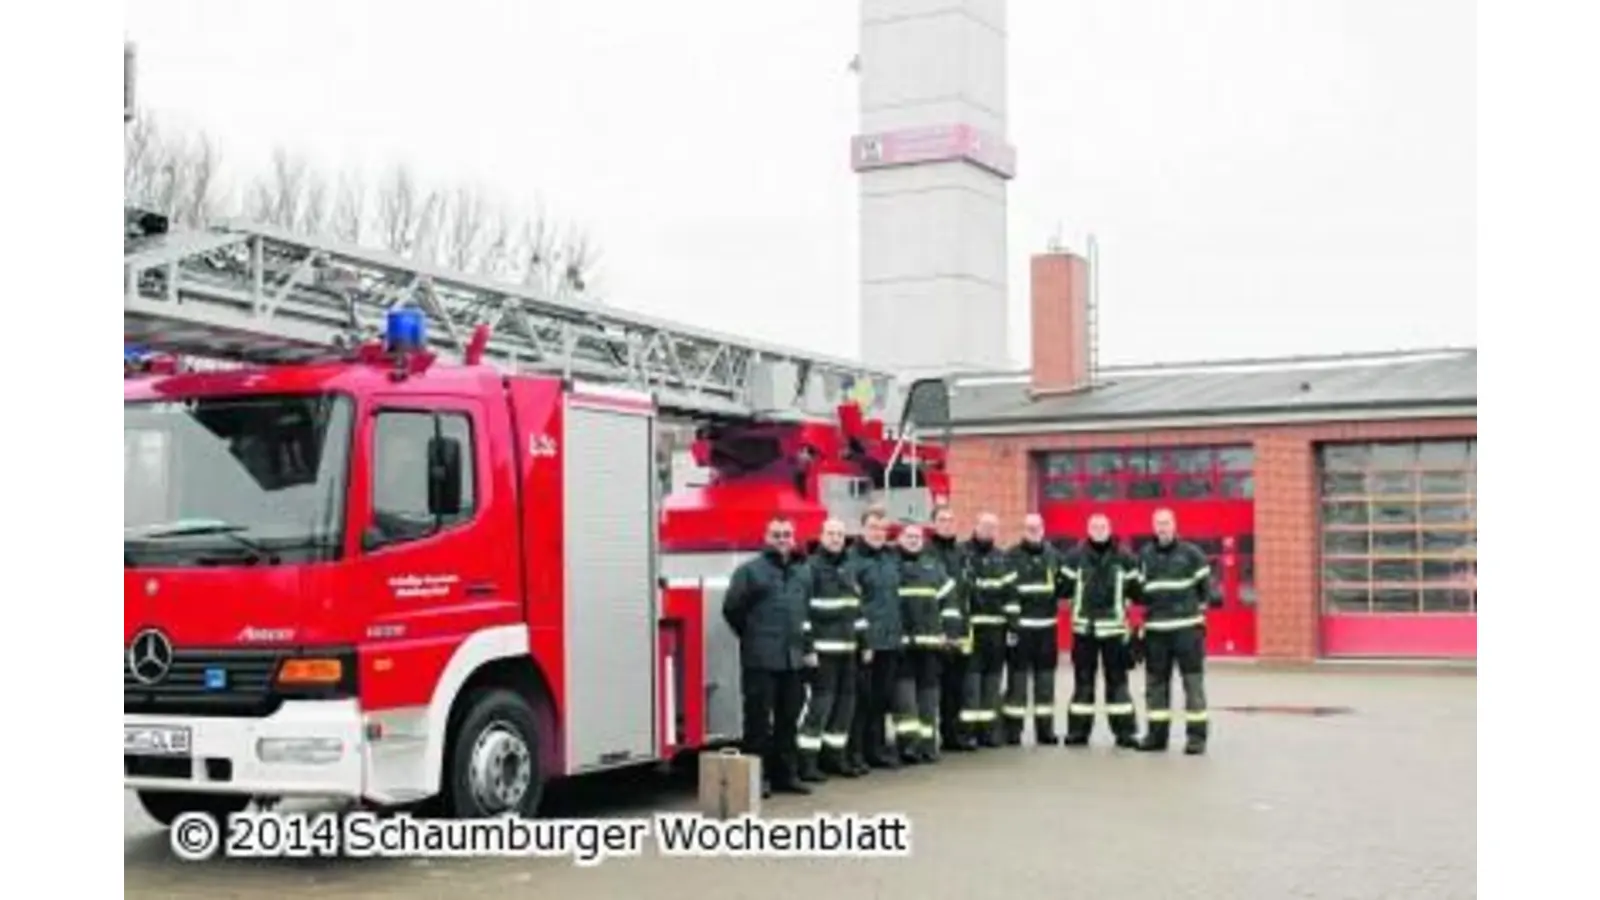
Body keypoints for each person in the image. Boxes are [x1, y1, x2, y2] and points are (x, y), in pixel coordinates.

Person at [721, 516, 816, 795]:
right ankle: (756, 779)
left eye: (787, 534)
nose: (783, 539)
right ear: (766, 537)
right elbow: (732, 610)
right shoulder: (749, 572)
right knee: (758, 722)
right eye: (777, 534)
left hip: (793, 658)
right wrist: (753, 636)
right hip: (760, 659)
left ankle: (785, 776)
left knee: (789, 719)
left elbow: (806, 615)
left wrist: (806, 648)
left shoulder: (802, 572)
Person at [1134, 508, 1220, 755]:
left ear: (1174, 525)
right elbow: (1139, 592)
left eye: (1166, 523)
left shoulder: (1192, 554)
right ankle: (1156, 737)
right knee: (1155, 686)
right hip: (1156, 633)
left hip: (1186, 633)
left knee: (1193, 685)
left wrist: (1197, 620)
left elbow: (1207, 592)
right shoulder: (1145, 555)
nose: (1162, 528)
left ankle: (1196, 739)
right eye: (1158, 524)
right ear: (1153, 527)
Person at [1058, 513, 1142, 748]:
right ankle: (1078, 732)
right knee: (1082, 682)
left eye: (1102, 526)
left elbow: (1137, 591)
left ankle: (1124, 733)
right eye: (1094, 526)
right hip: (1084, 630)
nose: (1098, 530)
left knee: (1118, 683)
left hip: (1115, 631)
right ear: (1088, 529)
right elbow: (1062, 590)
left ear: (1109, 528)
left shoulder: (1125, 558)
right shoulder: (1075, 557)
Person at [796, 518, 865, 781]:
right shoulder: (811, 568)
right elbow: (802, 612)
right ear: (821, 536)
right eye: (831, 533)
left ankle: (835, 758)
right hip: (822, 652)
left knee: (845, 705)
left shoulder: (848, 567)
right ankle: (807, 763)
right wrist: (808, 647)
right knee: (820, 707)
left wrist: (865, 642)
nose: (836, 538)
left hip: (848, 650)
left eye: (840, 534)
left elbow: (856, 609)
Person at [893, 522, 959, 763]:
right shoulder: (892, 566)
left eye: (917, 536)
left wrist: (950, 633)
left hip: (931, 647)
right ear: (899, 538)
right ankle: (908, 747)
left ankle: (928, 747)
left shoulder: (934, 567)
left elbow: (950, 603)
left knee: (928, 701)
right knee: (906, 702)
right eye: (908, 536)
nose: (913, 540)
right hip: (904, 647)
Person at [845, 508, 904, 772]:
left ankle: (876, 750)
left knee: (881, 700)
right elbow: (851, 605)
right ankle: (855, 753)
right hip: (866, 645)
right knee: (861, 702)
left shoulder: (891, 558)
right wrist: (863, 641)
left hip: (890, 642)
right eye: (873, 527)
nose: (878, 533)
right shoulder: (852, 561)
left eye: (882, 528)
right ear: (862, 529)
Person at [1002, 513, 1065, 746]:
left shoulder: (1054, 556)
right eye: (1028, 527)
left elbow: (1064, 587)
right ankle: (1013, 731)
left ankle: (1045, 731)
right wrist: (1011, 624)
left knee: (1045, 682)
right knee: (1017, 683)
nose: (1033, 531)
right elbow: (1006, 592)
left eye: (1036, 527)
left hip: (1047, 628)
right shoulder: (1011, 557)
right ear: (1023, 530)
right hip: (1021, 629)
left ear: (1043, 528)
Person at [960, 512, 1014, 748]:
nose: (989, 531)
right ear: (976, 526)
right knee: (971, 686)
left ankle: (989, 733)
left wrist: (1013, 626)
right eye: (985, 526)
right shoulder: (962, 554)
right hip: (972, 631)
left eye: (994, 527)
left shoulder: (1002, 559)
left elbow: (1011, 596)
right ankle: (967, 734)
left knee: (992, 685)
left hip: (996, 632)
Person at [927, 505, 973, 753]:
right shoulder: (926, 553)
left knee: (956, 688)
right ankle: (928, 738)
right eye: (942, 519)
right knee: (932, 689)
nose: (947, 523)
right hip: (935, 633)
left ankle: (952, 736)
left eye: (950, 519)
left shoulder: (961, 553)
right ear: (933, 524)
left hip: (960, 632)